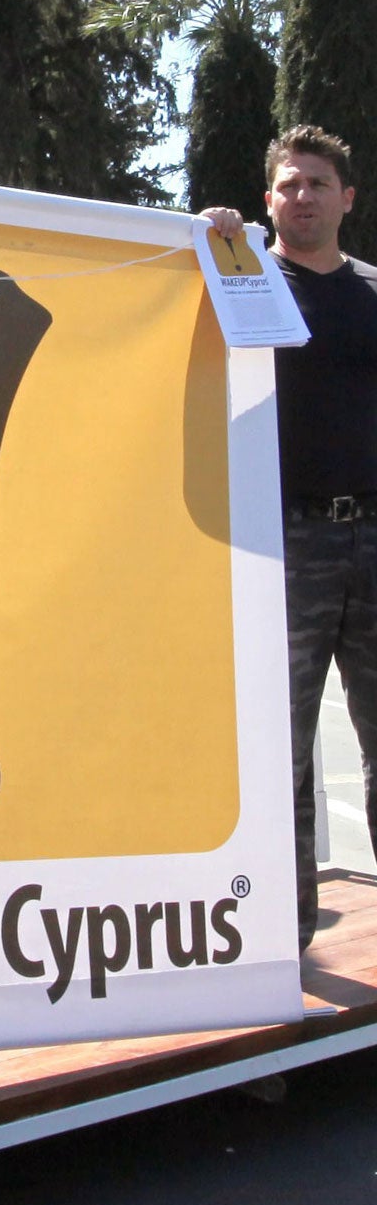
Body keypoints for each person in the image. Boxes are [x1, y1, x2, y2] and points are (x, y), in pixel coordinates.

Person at [203, 124, 375, 952]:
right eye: (286, 186)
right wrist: (205, 242)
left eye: (316, 183)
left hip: (374, 538)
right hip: (289, 544)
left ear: (348, 198)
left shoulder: (374, 293)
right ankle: (288, 933)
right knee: (285, 747)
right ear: (268, 203)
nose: (300, 196)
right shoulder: (246, 282)